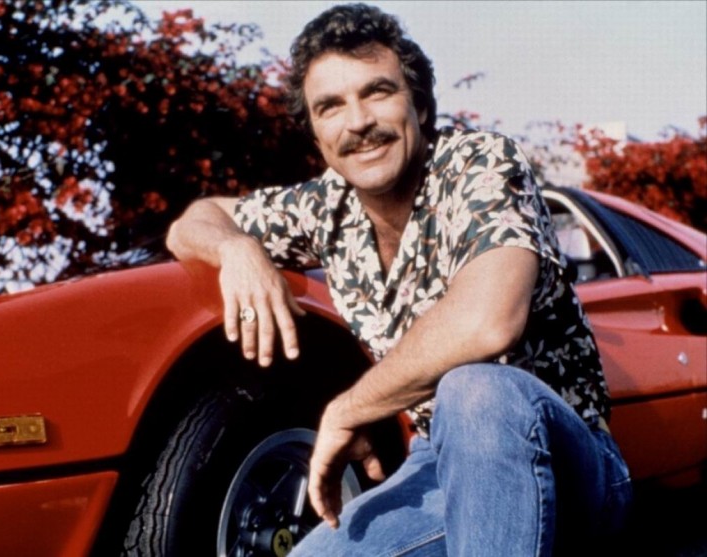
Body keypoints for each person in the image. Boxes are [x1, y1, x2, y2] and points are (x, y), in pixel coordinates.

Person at [166, 3, 632, 555]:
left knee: (475, 388)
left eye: (378, 92)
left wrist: (349, 409)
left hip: (567, 465)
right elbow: (192, 222)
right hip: (435, 465)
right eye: (330, 107)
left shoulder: (479, 163)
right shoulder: (326, 206)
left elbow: (487, 324)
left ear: (420, 105)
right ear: (316, 135)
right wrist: (238, 248)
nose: (358, 122)